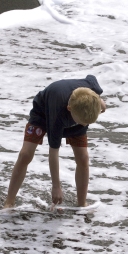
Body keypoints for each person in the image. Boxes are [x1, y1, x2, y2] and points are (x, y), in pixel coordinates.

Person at [3, 75, 106, 208]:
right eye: (83, 122)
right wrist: (56, 186)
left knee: (83, 158)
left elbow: (91, 78)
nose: (85, 125)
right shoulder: (58, 117)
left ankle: (82, 204)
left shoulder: (91, 91)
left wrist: (99, 101)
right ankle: (9, 202)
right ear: (70, 109)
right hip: (43, 115)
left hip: (77, 114)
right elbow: (53, 152)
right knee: (25, 155)